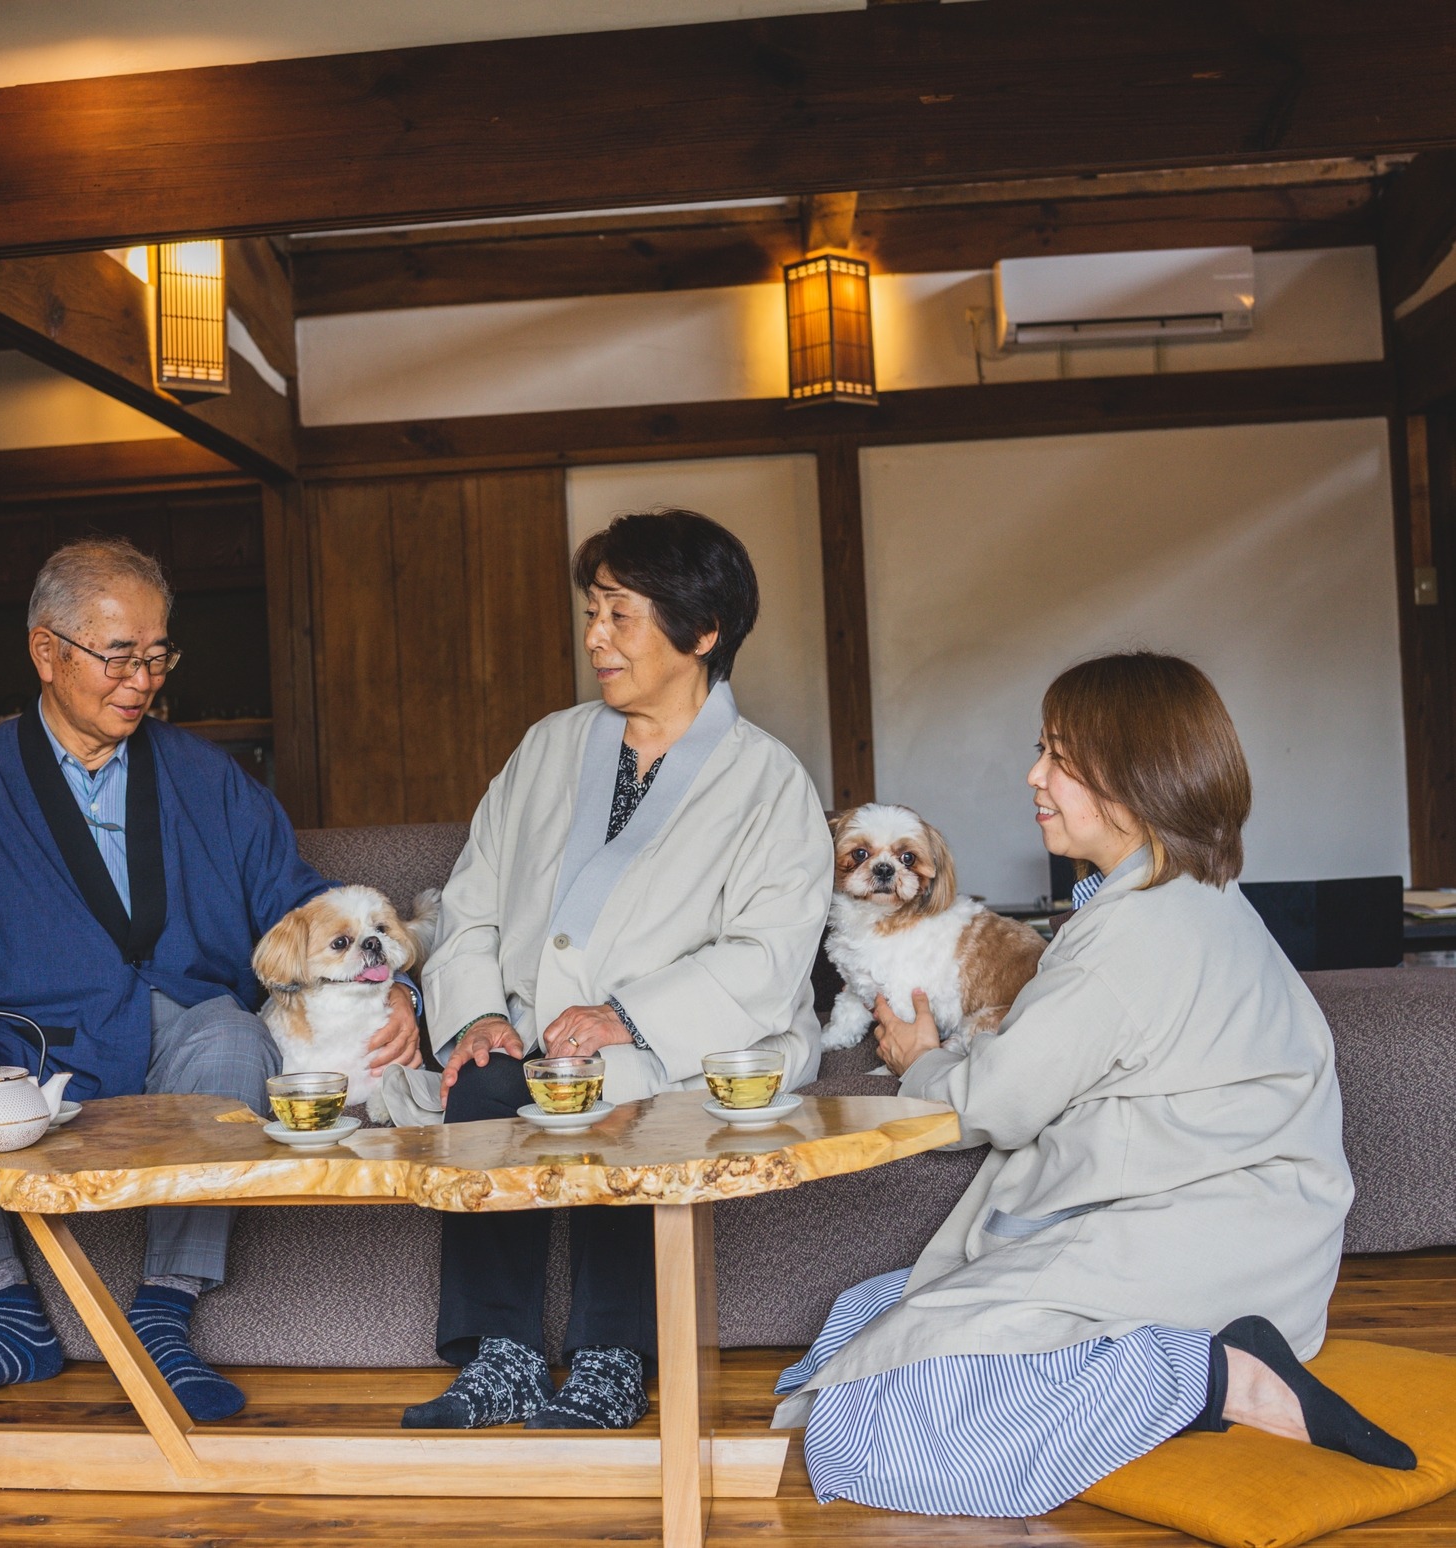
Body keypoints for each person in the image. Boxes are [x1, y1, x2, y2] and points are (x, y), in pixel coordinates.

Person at [773, 652, 1413, 1516]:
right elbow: (1042, 1062)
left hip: (1202, 1240)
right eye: (1042, 750)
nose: (1034, 776)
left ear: (1138, 777)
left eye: (1062, 759)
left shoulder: (1132, 934)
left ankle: (1215, 1376)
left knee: (860, 1437)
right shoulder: (1189, 894)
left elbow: (987, 1105)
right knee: (866, 1316)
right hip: (1250, 1233)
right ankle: (1203, 1366)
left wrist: (919, 1059)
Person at [0, 536, 422, 1420]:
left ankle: (165, 1308)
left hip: (175, 1023)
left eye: (157, 655)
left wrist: (397, 988)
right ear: (47, 652)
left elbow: (302, 903)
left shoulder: (211, 778)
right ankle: (6, 1314)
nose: (143, 677)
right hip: (23, 1039)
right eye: (118, 654)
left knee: (237, 1039)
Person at [401, 509, 832, 1431]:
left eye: (621, 615)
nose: (595, 638)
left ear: (703, 633)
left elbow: (767, 955)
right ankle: (499, 1356)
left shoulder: (769, 782)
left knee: (625, 1095)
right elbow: (470, 899)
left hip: (672, 1038)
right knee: (482, 1083)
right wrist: (477, 1013)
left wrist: (626, 1016)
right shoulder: (548, 747)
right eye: (593, 611)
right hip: (530, 1021)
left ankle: (611, 1359)